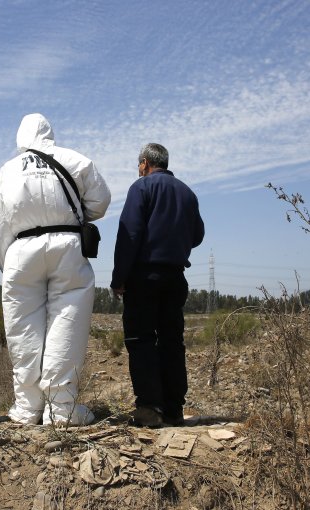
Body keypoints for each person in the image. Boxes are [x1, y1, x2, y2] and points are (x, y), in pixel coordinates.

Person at [0, 113, 111, 425]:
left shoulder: (8, 169)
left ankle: (26, 409)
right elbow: (101, 201)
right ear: (49, 133)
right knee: (67, 323)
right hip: (67, 245)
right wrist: (71, 215)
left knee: (23, 331)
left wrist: (8, 264)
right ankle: (61, 410)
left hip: (21, 250)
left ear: (20, 137)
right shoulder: (75, 159)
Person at [111, 143, 204, 428]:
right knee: (172, 342)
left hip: (144, 278)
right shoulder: (187, 192)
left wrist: (119, 278)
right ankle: (174, 410)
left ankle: (150, 408)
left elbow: (130, 235)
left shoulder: (141, 188)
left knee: (141, 340)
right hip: (175, 277)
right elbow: (198, 235)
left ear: (144, 163)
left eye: (138, 165)